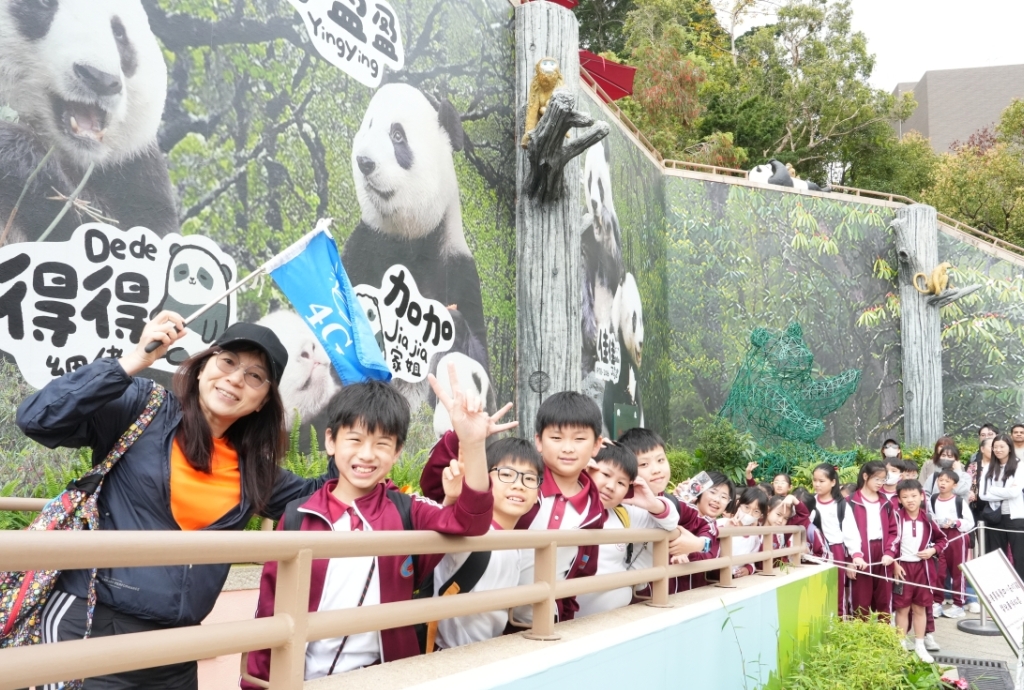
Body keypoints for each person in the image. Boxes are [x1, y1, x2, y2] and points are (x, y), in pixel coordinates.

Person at [16, 312, 336, 689]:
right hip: (90, 629)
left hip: (178, 651)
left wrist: (349, 439)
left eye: (255, 376)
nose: (236, 378)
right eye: (227, 361)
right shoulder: (142, 408)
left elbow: (328, 496)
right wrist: (133, 361)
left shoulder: (255, 471)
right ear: (202, 369)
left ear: (262, 401)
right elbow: (37, 418)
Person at [244, 365, 500, 683]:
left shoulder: (408, 511)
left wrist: (472, 444)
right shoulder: (299, 516)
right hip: (304, 679)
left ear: (397, 452)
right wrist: (257, 683)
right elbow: (270, 608)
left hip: (386, 678)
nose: (366, 455)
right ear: (331, 441)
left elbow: (470, 522)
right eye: (355, 439)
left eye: (381, 444)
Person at [430, 437, 541, 650]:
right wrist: (453, 498)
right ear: (486, 481)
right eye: (506, 474)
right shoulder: (471, 532)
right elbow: (447, 528)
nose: (518, 485)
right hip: (453, 655)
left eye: (529, 478)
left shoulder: (514, 544)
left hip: (489, 651)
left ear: (538, 494)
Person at [575, 443, 679, 617]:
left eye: (621, 483)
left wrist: (652, 504)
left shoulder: (623, 513)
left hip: (610, 619)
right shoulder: (563, 505)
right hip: (564, 619)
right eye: (606, 474)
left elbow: (669, 523)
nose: (611, 486)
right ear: (588, 468)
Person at [617, 427, 703, 597]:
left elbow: (707, 527)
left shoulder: (674, 503)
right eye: (644, 464)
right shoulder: (617, 503)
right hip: (617, 594)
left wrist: (699, 544)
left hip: (655, 594)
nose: (656, 469)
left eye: (661, 460)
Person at [892, 479, 947, 664]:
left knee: (920, 608)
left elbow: (943, 540)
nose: (910, 500)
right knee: (902, 608)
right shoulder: (896, 518)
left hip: (923, 569)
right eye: (905, 497)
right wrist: (894, 564)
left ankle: (920, 645)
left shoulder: (928, 519)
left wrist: (933, 550)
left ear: (922, 496)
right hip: (902, 569)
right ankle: (900, 644)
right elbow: (889, 544)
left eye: (914, 495)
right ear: (899, 499)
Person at [842, 460, 898, 619]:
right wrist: (849, 561)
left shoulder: (886, 503)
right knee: (860, 601)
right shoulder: (850, 502)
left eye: (883, 479)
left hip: (882, 553)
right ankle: (860, 634)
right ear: (865, 476)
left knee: (884, 601)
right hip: (859, 554)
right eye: (876, 479)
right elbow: (844, 534)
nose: (880, 483)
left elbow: (894, 531)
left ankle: (883, 633)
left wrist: (889, 552)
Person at [670, 472, 734, 591]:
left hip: (691, 593)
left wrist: (687, 550)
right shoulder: (680, 511)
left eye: (724, 497)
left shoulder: (714, 528)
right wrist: (674, 500)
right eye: (713, 492)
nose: (717, 500)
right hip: (656, 590)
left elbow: (708, 554)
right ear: (700, 491)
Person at [978, 433, 1024, 580]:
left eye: (1001, 446)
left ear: (1009, 448)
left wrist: (993, 490)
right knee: (996, 555)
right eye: (995, 447)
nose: (998, 450)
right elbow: (983, 495)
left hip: (1015, 516)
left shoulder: (1019, 466)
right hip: (995, 516)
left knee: (1020, 555)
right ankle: (1000, 586)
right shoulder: (988, 468)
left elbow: (1015, 492)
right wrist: (1006, 491)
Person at [931, 469, 974, 619]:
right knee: (939, 570)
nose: (942, 483)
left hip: (957, 537)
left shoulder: (959, 501)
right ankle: (937, 602)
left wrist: (955, 523)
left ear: (954, 485)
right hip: (940, 537)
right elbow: (932, 517)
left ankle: (958, 604)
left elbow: (970, 522)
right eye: (940, 480)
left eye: (947, 481)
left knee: (958, 571)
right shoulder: (933, 499)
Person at [811, 463, 849, 616]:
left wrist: (856, 555)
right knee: (817, 589)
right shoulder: (810, 502)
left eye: (822, 481)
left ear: (833, 482)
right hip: (815, 552)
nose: (817, 484)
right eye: (815, 480)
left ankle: (839, 622)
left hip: (836, 551)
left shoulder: (840, 504)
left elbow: (851, 532)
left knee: (837, 589)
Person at [720, 487, 768, 578]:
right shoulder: (722, 523)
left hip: (737, 579)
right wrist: (725, 529)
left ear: (760, 515)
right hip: (716, 578)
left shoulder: (755, 536)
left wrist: (748, 569)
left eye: (756, 511)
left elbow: (752, 559)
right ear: (738, 504)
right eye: (746, 507)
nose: (749, 513)